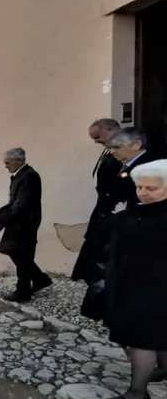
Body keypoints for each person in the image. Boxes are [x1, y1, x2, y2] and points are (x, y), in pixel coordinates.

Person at [104, 159, 167, 399]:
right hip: (131, 285)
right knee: (154, 336)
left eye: (152, 188)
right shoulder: (129, 216)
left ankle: (137, 393)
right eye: (140, 187)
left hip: (156, 288)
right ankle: (162, 370)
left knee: (142, 341)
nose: (143, 193)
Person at [0, 148, 52, 302]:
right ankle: (40, 279)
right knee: (17, 253)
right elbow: (14, 203)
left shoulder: (29, 176)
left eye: (7, 163)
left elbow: (20, 205)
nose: (5, 166)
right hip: (18, 222)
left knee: (22, 256)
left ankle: (23, 292)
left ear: (19, 160)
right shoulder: (21, 175)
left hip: (24, 223)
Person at [72, 119, 122, 283]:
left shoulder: (122, 153)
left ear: (110, 130)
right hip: (102, 210)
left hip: (112, 212)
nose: (96, 141)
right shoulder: (110, 151)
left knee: (101, 261)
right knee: (92, 260)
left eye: (98, 136)